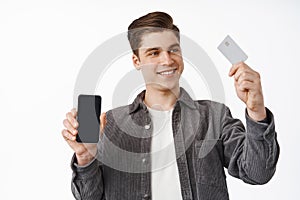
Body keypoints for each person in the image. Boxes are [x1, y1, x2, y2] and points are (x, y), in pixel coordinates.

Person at [61, 11, 279, 200]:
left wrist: (256, 111)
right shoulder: (109, 125)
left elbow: (258, 173)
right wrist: (86, 158)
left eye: (173, 50)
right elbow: (89, 196)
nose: (167, 60)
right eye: (154, 53)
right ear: (137, 61)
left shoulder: (214, 116)